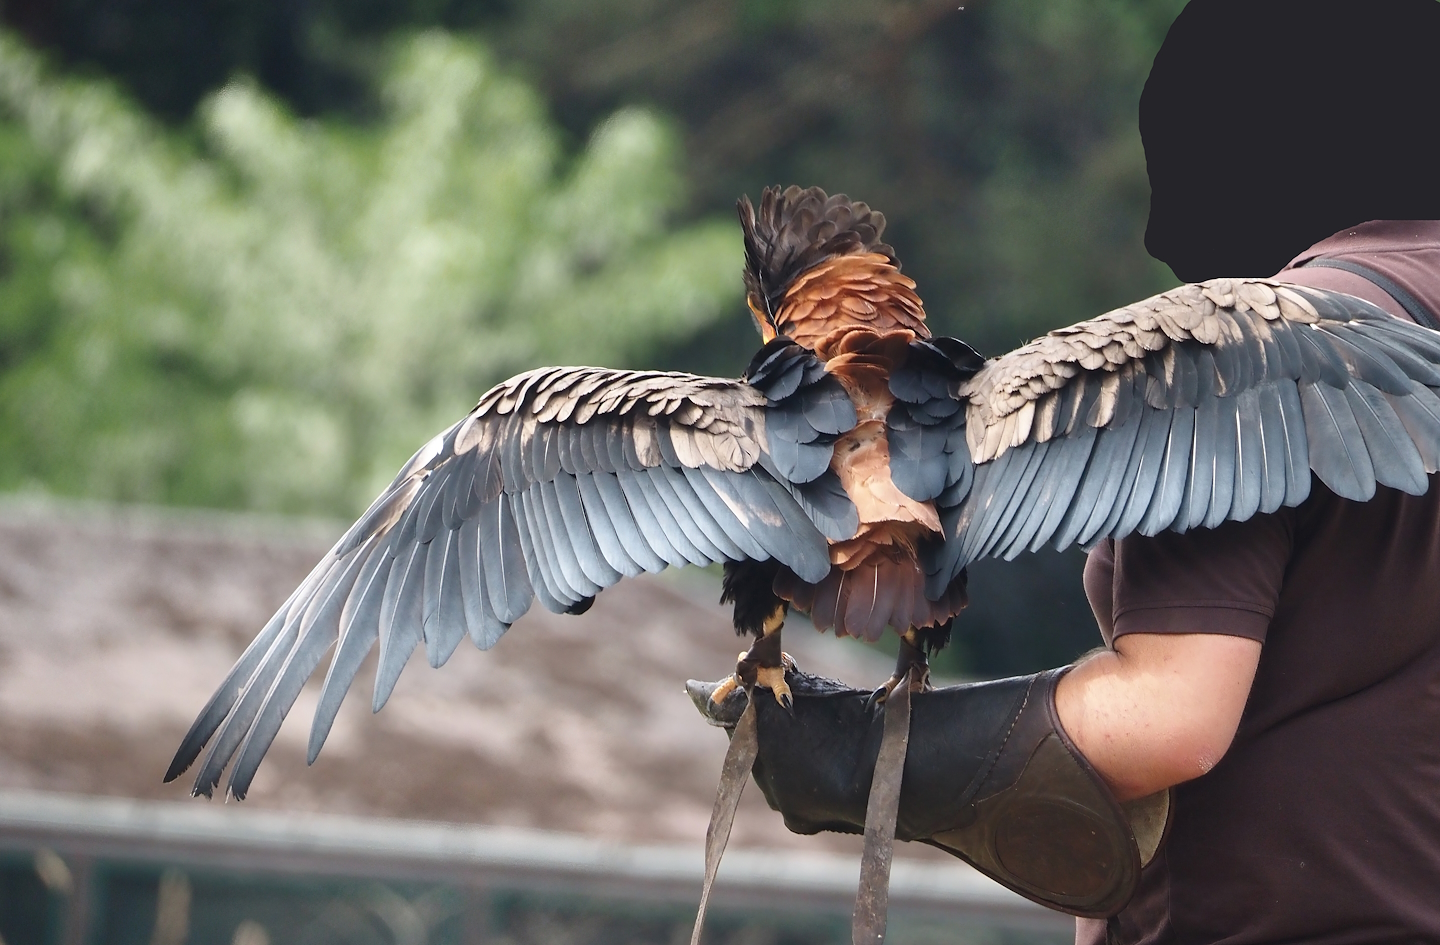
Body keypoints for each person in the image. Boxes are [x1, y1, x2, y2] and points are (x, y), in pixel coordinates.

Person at [713, 2, 1440, 941]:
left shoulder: (1237, 347)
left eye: (1186, 165)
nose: (1158, 234)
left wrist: (856, 751)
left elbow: (1169, 717)